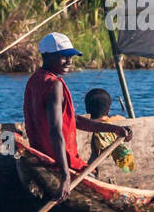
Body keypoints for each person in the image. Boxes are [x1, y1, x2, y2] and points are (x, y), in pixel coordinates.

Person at [24, 33, 131, 200]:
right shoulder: (54, 85)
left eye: (71, 56)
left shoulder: (35, 80)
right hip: (62, 162)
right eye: (64, 56)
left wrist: (113, 129)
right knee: (95, 178)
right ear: (47, 56)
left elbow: (73, 121)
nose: (70, 61)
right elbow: (55, 130)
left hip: (43, 157)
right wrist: (66, 176)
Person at [84, 87, 136, 173]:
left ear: (87, 109)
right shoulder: (119, 119)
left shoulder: (85, 125)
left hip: (93, 169)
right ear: (108, 110)